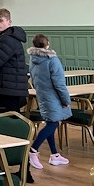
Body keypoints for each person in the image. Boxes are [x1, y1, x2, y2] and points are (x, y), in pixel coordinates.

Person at [27, 34, 71, 169]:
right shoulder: (52, 60)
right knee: (52, 124)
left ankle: (54, 155)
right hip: (54, 97)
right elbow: (59, 84)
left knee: (51, 122)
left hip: (42, 95)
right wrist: (66, 100)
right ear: (48, 44)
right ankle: (33, 151)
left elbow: (33, 80)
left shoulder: (33, 60)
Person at [0, 8, 28, 113]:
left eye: (1, 20)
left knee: (5, 121)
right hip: (10, 85)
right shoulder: (11, 36)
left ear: (9, 21)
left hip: (7, 87)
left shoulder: (7, 38)